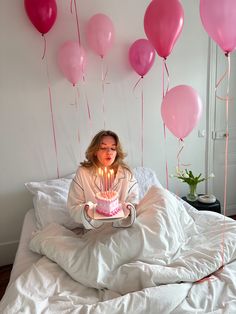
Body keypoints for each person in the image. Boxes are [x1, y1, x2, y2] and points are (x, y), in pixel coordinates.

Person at [67, 130, 139, 229]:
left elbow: (134, 201)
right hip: (94, 230)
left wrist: (129, 209)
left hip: (121, 228)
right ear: (95, 151)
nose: (109, 152)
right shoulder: (83, 173)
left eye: (113, 148)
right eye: (103, 148)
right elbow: (73, 207)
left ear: (117, 152)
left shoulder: (126, 173)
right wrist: (87, 210)